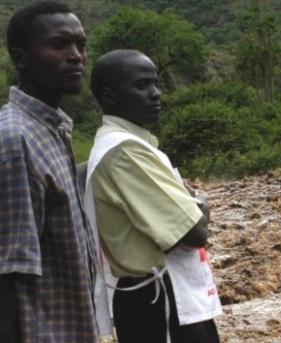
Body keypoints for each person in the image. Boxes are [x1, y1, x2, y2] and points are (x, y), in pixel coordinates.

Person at [86, 50, 222, 343]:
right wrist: (200, 200)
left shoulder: (130, 146)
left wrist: (193, 202)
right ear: (110, 97)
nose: (155, 94)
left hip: (159, 298)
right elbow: (193, 231)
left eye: (156, 84)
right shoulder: (125, 153)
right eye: (142, 85)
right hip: (160, 306)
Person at [0, 2, 100, 342]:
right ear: (21, 57)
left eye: (80, 45)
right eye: (59, 45)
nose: (76, 56)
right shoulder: (15, 141)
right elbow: (11, 272)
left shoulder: (53, 131)